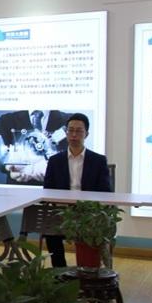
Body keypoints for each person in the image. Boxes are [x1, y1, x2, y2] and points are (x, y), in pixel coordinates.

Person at [43, 113, 112, 267]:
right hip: (62, 212)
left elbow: (105, 191)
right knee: (50, 230)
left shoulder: (98, 161)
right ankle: (60, 271)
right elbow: (47, 189)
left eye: (79, 131)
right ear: (66, 133)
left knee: (93, 231)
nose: (74, 135)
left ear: (86, 134)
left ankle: (88, 270)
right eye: (70, 130)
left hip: (88, 212)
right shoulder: (55, 161)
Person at [0, 109, 71, 184]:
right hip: (18, 188)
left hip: (57, 187)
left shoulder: (70, 120)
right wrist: (7, 165)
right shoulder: (6, 120)